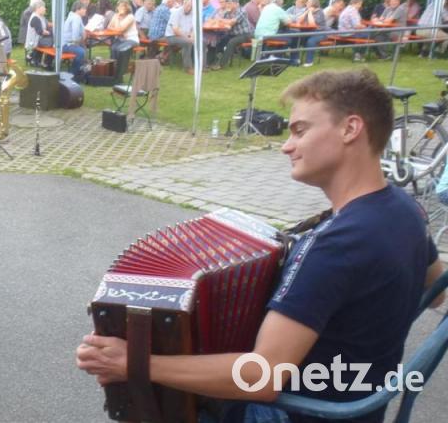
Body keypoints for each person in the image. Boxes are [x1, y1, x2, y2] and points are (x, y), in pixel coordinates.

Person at [77, 68, 445, 423]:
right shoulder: (406, 211)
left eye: (300, 131)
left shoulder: (333, 246)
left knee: (159, 402)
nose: (287, 146)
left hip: (295, 414)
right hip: (357, 408)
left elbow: (262, 377)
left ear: (351, 128)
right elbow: (440, 289)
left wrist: (135, 362)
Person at [107, 0, 140, 77]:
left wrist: (118, 18)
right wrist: (118, 30)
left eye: (123, 7)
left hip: (131, 40)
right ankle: (112, 70)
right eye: (119, 6)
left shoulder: (130, 17)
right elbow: (109, 27)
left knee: (120, 49)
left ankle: (121, 72)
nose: (120, 9)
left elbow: (121, 29)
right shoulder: (115, 15)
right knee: (113, 48)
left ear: (127, 8)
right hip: (121, 39)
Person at [62, 1, 89, 80]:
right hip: (66, 45)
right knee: (81, 52)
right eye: (84, 9)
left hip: (64, 44)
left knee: (82, 50)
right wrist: (83, 37)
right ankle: (73, 75)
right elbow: (75, 38)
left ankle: (77, 73)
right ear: (78, 9)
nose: (85, 10)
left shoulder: (72, 16)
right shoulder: (76, 18)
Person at [25, 1, 53, 67]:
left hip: (37, 42)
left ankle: (42, 62)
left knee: (51, 42)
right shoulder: (35, 18)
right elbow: (40, 32)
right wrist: (48, 32)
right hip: (33, 44)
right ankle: (46, 63)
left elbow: (46, 25)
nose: (45, 9)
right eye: (44, 7)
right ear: (38, 8)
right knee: (52, 43)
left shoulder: (40, 17)